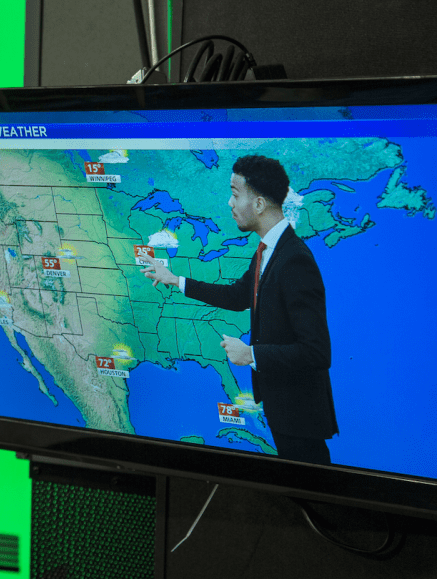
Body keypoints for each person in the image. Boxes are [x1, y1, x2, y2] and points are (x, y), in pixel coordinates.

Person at [141, 155, 338, 464]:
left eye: (235, 194)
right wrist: (175, 280)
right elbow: (237, 296)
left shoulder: (294, 260)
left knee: (311, 487)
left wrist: (251, 355)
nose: (229, 203)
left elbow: (316, 352)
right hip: (282, 407)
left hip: (299, 414)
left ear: (258, 204)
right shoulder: (267, 251)